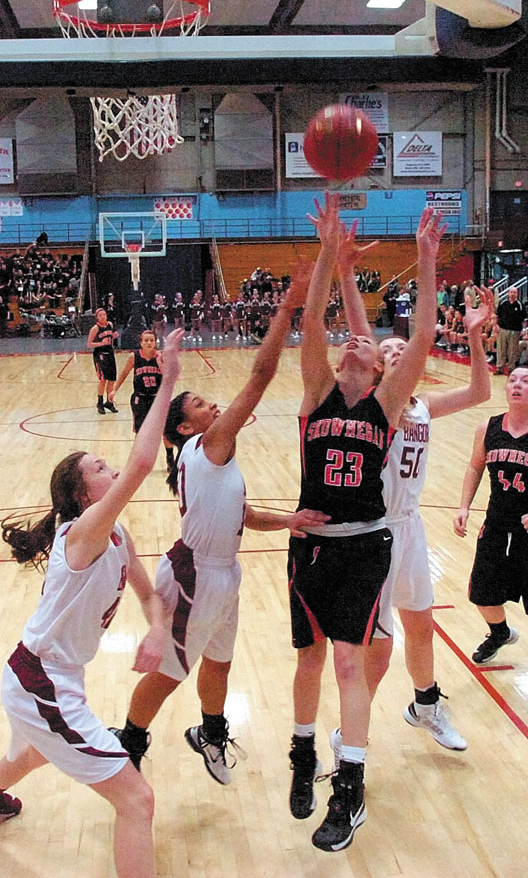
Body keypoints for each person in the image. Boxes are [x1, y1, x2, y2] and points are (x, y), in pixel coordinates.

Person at [0, 330, 184, 878]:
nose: (112, 470)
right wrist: (169, 379)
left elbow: (149, 595)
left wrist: (155, 629)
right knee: (137, 801)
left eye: (107, 464)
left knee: (32, 753)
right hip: (41, 681)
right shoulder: (80, 535)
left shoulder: (118, 537)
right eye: (101, 469)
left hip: (50, 678)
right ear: (84, 496)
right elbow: (144, 463)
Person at [111, 265, 328, 786]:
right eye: (203, 404)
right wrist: (286, 309)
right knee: (168, 673)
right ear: (188, 425)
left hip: (223, 572)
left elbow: (244, 517)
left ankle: (210, 731)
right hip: (194, 576)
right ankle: (127, 750)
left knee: (220, 662)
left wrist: (290, 521)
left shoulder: (209, 455)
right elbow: (259, 378)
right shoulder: (210, 445)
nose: (215, 405)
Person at [287, 195, 443, 853]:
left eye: (367, 345)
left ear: (381, 369)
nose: (355, 340)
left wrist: (428, 260)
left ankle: (348, 787)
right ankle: (301, 753)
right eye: (350, 339)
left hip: (363, 549)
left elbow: (427, 337)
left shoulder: (386, 402)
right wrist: (328, 253)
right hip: (308, 548)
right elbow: (313, 324)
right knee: (310, 661)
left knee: (351, 663)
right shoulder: (318, 389)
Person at [338, 246, 493, 753]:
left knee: (421, 626)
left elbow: (477, 393)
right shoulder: (371, 404)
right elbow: (362, 332)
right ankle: (347, 734)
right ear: (378, 367)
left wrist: (473, 336)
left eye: (405, 348)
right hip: (372, 532)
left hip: (409, 526)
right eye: (389, 350)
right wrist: (343, 270)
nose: (398, 351)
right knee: (378, 651)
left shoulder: (422, 406)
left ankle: (425, 705)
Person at [454, 365, 528, 664]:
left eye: (525, 381)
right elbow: (475, 466)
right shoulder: (489, 427)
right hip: (496, 525)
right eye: (512, 380)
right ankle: (499, 632)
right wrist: (463, 506)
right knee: (482, 595)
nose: (517, 385)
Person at [109, 329, 175, 471]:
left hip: (158, 399)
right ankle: (137, 461)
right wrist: (114, 390)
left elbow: (169, 378)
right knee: (140, 432)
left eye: (151, 340)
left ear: (155, 342)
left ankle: (170, 459)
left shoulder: (161, 356)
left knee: (165, 430)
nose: (149, 343)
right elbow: (124, 373)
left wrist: (160, 363)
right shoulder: (134, 357)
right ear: (141, 343)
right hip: (140, 398)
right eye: (146, 340)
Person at [88, 307, 119, 415]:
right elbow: (89, 344)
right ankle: (99, 403)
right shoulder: (95, 329)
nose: (102, 317)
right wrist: (101, 343)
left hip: (110, 353)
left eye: (104, 315)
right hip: (100, 354)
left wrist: (115, 336)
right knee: (103, 379)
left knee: (112, 379)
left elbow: (113, 336)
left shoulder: (110, 325)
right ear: (96, 317)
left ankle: (109, 402)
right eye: (100, 315)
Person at [495, 287, 523, 375]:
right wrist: (496, 325)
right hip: (503, 329)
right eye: (511, 292)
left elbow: (523, 318)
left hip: (514, 331)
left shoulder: (520, 305)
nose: (513, 294)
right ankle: (500, 368)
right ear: (508, 293)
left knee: (512, 351)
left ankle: (511, 369)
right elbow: (497, 315)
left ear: (517, 294)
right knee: (501, 349)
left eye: (515, 292)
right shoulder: (503, 303)